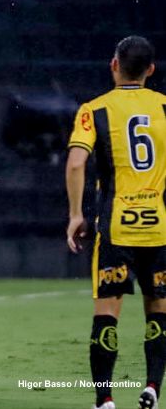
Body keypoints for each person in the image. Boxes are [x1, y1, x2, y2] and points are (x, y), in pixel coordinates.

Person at [66, 36, 166, 409]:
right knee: (159, 310)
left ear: (114, 64)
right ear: (151, 70)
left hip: (116, 226)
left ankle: (105, 399)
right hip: (158, 226)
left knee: (107, 313)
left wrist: (76, 214)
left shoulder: (95, 110)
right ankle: (153, 387)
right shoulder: (165, 107)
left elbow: (77, 163)